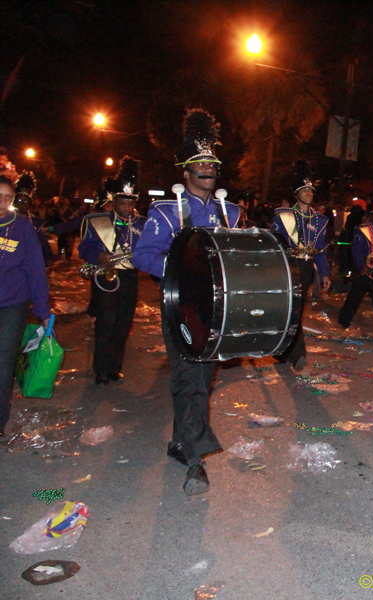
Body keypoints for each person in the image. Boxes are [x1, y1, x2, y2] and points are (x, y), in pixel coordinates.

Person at [132, 109, 240, 495]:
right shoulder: (164, 211)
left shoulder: (230, 211)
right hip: (180, 305)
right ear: (185, 172)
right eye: (200, 164)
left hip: (216, 309)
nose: (208, 168)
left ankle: (181, 442)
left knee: (200, 379)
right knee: (189, 377)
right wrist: (183, 268)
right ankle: (195, 461)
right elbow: (142, 256)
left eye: (212, 162)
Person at [78, 157, 146, 385]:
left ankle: (115, 367)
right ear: (113, 200)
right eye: (122, 202)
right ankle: (101, 370)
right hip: (105, 277)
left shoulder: (143, 224)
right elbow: (84, 248)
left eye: (130, 203)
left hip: (129, 277)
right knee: (106, 321)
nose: (127, 208)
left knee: (124, 322)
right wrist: (99, 256)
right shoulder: (97, 221)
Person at [0, 174, 50, 436]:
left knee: (4, 358)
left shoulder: (21, 227)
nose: (2, 202)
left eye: (8, 197)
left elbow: (35, 271)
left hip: (12, 304)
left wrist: (43, 311)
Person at [271, 159, 331, 371]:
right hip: (288, 266)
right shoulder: (283, 216)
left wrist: (324, 274)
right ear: (296, 192)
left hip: (306, 268)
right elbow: (275, 243)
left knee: (296, 309)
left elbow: (321, 250)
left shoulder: (320, 220)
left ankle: (284, 350)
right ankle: (297, 354)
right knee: (289, 309)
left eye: (311, 189)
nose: (309, 192)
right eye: (304, 189)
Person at [337, 199, 373, 333]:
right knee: (355, 297)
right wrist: (362, 266)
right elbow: (356, 250)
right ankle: (344, 319)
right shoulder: (360, 230)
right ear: (370, 215)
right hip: (363, 269)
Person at [13, 172, 53, 264]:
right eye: (19, 200)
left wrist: (48, 258)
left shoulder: (35, 223)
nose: (22, 203)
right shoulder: (6, 218)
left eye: (26, 200)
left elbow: (42, 243)